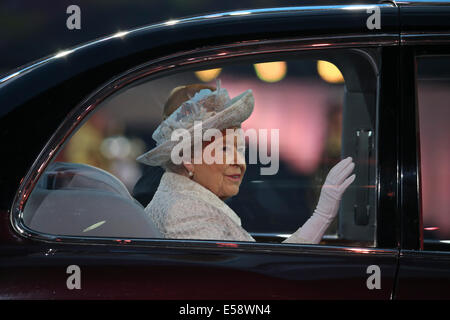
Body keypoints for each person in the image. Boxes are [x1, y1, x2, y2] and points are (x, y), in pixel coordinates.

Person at [136, 81, 356, 243]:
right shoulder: (187, 213)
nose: (240, 162)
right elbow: (249, 287)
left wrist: (321, 216)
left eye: (240, 149)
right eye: (223, 149)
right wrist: (323, 215)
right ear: (188, 159)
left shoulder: (187, 200)